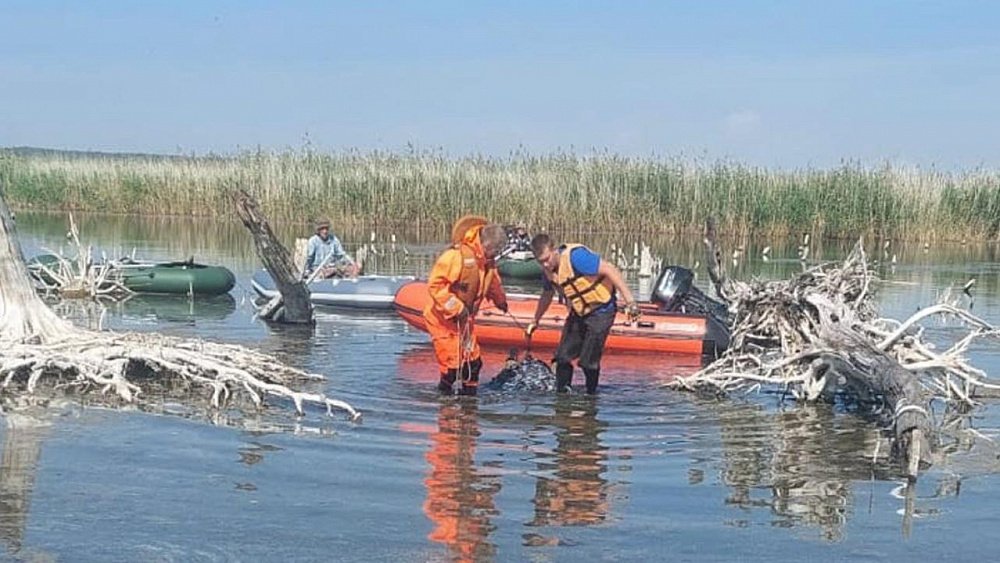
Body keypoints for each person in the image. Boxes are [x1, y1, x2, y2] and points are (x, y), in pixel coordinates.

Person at [525, 234, 641, 394]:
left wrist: (630, 302)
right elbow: (547, 295)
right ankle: (562, 396)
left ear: (554, 250)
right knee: (562, 357)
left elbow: (610, 269)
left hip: (602, 311)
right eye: (541, 261)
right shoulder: (547, 271)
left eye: (547, 259)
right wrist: (535, 320)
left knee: (587, 362)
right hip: (579, 313)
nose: (545, 264)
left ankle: (591, 397)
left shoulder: (576, 257)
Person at [425, 216, 508, 396]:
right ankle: (445, 407)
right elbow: (435, 285)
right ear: (488, 246)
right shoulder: (456, 257)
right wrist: (456, 307)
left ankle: (469, 406)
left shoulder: (487, 263)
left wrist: (501, 301)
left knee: (474, 365)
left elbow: (492, 285)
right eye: (496, 251)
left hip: (465, 321)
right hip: (444, 321)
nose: (496, 255)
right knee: (453, 369)